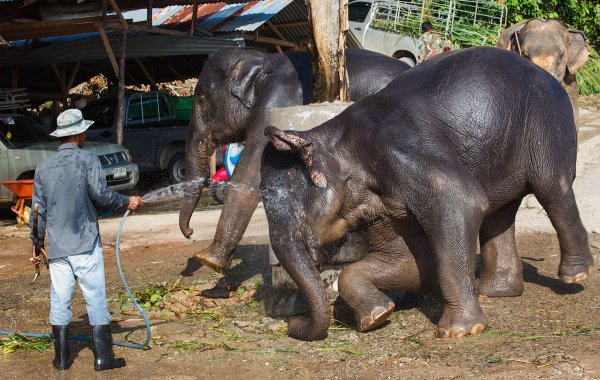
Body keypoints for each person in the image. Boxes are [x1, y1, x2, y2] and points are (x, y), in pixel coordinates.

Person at [29, 109, 143, 371]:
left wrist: (36, 245)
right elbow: (102, 196)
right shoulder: (88, 160)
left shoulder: (43, 168)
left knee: (59, 300)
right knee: (95, 297)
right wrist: (127, 201)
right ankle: (103, 358)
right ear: (79, 133)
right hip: (85, 242)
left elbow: (37, 212)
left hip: (57, 247)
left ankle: (60, 360)